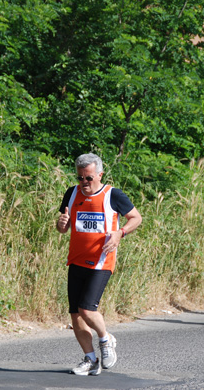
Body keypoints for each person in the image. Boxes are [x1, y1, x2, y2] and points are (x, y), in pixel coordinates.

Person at [56, 153, 142, 375]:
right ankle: (90, 359)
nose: (84, 183)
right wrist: (61, 223)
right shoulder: (71, 193)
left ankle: (106, 339)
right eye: (81, 178)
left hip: (101, 261)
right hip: (76, 260)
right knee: (76, 314)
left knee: (87, 308)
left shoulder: (112, 195)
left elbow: (136, 218)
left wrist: (120, 233)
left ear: (100, 175)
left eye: (89, 178)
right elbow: (62, 227)